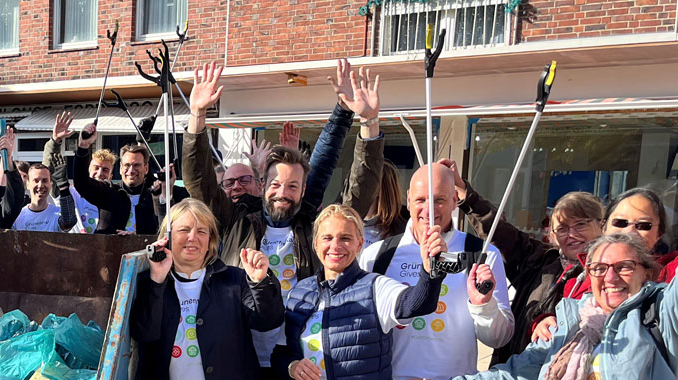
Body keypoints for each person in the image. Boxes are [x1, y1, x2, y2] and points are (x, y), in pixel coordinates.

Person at [460, 142, 678, 380]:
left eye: (624, 267)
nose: (610, 277)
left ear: (647, 272)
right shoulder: (573, 317)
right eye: (599, 268)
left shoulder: (661, 317)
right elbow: (519, 369)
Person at [183, 59, 382, 374]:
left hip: (298, 359)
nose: (282, 192)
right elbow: (200, 182)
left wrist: (368, 123)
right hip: (238, 354)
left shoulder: (315, 230)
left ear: (303, 191)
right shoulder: (236, 220)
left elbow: (358, 191)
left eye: (292, 186)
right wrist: (197, 116)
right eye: (275, 184)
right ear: (262, 185)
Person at [357, 161, 514, 380]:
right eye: (421, 199)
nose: (429, 210)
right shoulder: (376, 255)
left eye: (439, 200)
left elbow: (499, 338)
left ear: (454, 200)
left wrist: (484, 305)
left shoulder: (482, 254)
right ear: (409, 199)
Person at [272, 205, 448, 380]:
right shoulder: (299, 293)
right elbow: (281, 354)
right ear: (316, 243)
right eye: (327, 238)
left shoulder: (375, 287)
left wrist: (429, 272)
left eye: (345, 238)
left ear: (359, 244)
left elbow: (417, 304)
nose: (335, 246)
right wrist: (292, 367)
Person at [455, 173, 604, 366]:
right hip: (516, 368)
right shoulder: (539, 261)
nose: (572, 234)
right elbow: (501, 232)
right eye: (563, 228)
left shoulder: (610, 273)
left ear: (602, 225)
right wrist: (468, 197)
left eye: (581, 224)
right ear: (552, 233)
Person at [132, 198, 284, 379]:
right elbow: (144, 333)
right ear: (167, 236)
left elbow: (268, 321)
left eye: (202, 231)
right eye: (184, 230)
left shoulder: (235, 280)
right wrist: (157, 279)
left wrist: (260, 282)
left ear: (210, 239)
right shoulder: (151, 281)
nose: (193, 237)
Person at [360, 160, 407, 248]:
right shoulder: (348, 222)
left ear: (378, 189)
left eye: (364, 182)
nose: (357, 187)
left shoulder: (404, 230)